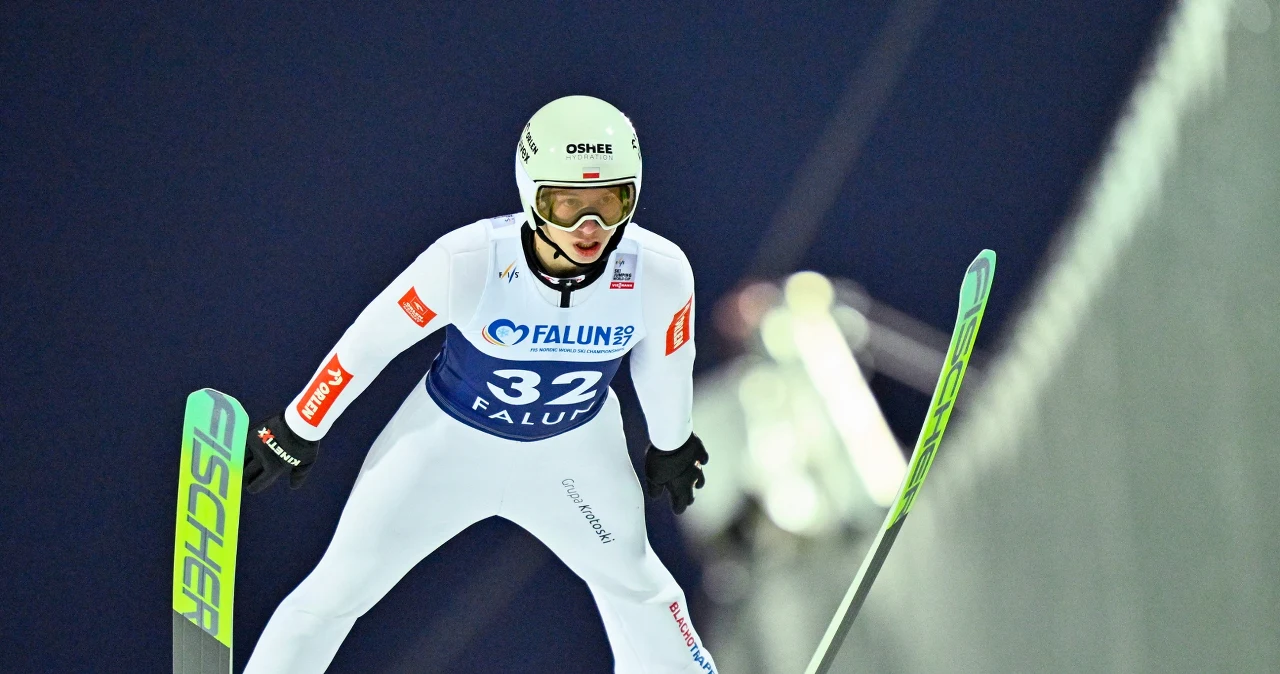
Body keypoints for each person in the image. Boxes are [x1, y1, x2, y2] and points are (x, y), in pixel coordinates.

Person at [241, 95, 718, 674]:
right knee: (338, 588)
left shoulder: (658, 271)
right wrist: (300, 423)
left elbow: (667, 360)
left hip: (572, 455)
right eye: (566, 204)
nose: (590, 228)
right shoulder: (470, 260)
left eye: (609, 202)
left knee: (644, 593)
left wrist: (672, 442)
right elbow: (372, 340)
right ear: (531, 196)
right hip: (446, 446)